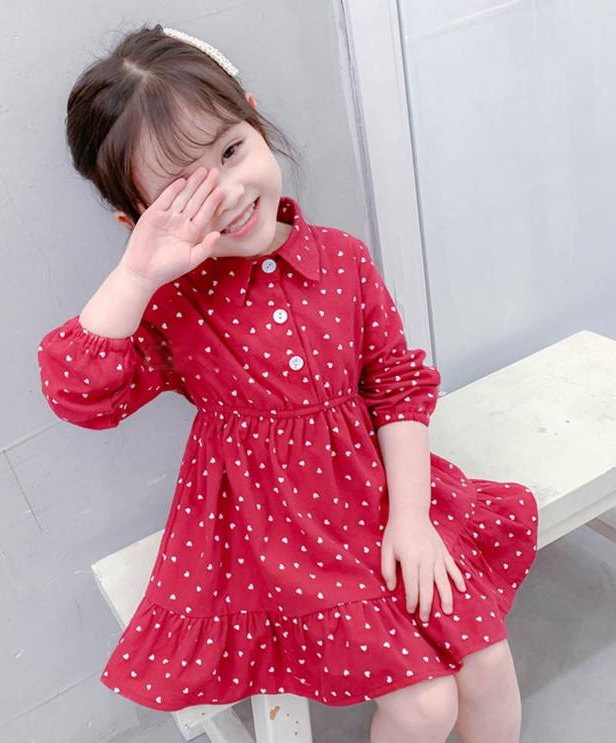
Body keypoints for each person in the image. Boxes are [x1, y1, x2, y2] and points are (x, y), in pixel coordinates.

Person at [36, 22, 539, 742]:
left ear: (253, 115)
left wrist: (412, 517)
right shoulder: (171, 307)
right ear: (137, 219)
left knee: (487, 663)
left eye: (231, 151)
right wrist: (136, 275)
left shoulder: (342, 259)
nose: (229, 193)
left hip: (381, 491)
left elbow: (396, 385)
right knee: (425, 703)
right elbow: (78, 393)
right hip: (271, 530)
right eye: (185, 192)